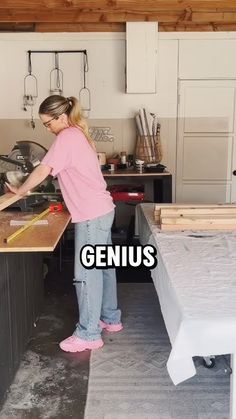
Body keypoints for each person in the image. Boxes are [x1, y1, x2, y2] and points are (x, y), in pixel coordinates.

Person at [6, 95, 123, 353]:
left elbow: (43, 170)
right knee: (104, 266)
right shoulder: (78, 134)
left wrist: (21, 191)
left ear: (60, 117)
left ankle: (89, 333)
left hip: (91, 215)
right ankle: (110, 318)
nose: (47, 129)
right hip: (103, 210)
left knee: (87, 274)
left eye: (48, 123)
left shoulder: (67, 137)